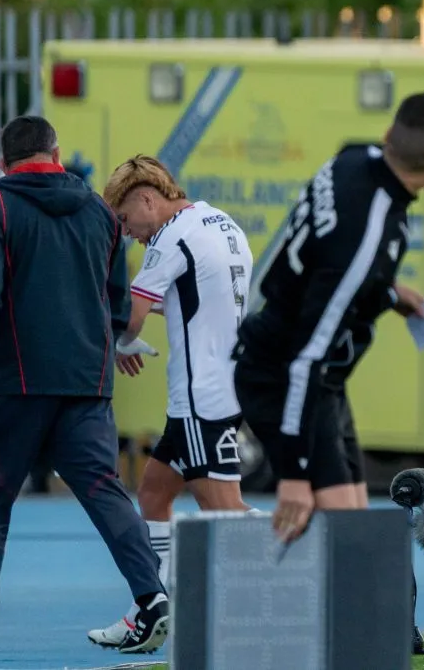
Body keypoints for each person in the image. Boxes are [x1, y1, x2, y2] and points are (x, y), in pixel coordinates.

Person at [0, 116, 168, 654]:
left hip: (14, 385)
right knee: (105, 493)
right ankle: (153, 596)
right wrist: (109, 341)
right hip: (86, 385)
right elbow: (116, 297)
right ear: (57, 154)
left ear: (4, 164)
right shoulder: (99, 212)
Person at [232, 91, 424, 544]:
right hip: (285, 376)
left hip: (320, 380)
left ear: (388, 135)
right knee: (338, 537)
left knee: (354, 528)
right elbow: (307, 355)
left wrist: (389, 293)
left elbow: (324, 263)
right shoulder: (368, 233)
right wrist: (295, 475)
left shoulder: (354, 158)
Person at [87, 155, 264, 647]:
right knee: (153, 494)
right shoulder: (220, 222)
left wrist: (123, 343)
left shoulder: (170, 238)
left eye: (125, 220)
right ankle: (154, 607)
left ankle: (311, 554)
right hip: (224, 386)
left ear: (147, 198)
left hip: (198, 397)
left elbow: (136, 315)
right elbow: (194, 298)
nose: (128, 233)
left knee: (223, 511)